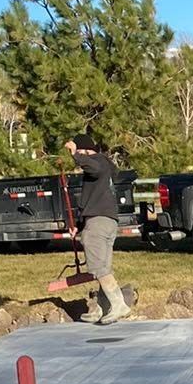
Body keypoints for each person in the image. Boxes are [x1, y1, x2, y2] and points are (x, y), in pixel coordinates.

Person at [63, 131, 134, 323]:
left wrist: (75, 154)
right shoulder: (103, 164)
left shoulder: (97, 161)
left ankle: (118, 304)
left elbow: (93, 168)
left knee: (97, 267)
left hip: (98, 222)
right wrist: (78, 225)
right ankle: (102, 308)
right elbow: (89, 200)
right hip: (106, 220)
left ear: (86, 149)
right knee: (103, 267)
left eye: (81, 151)